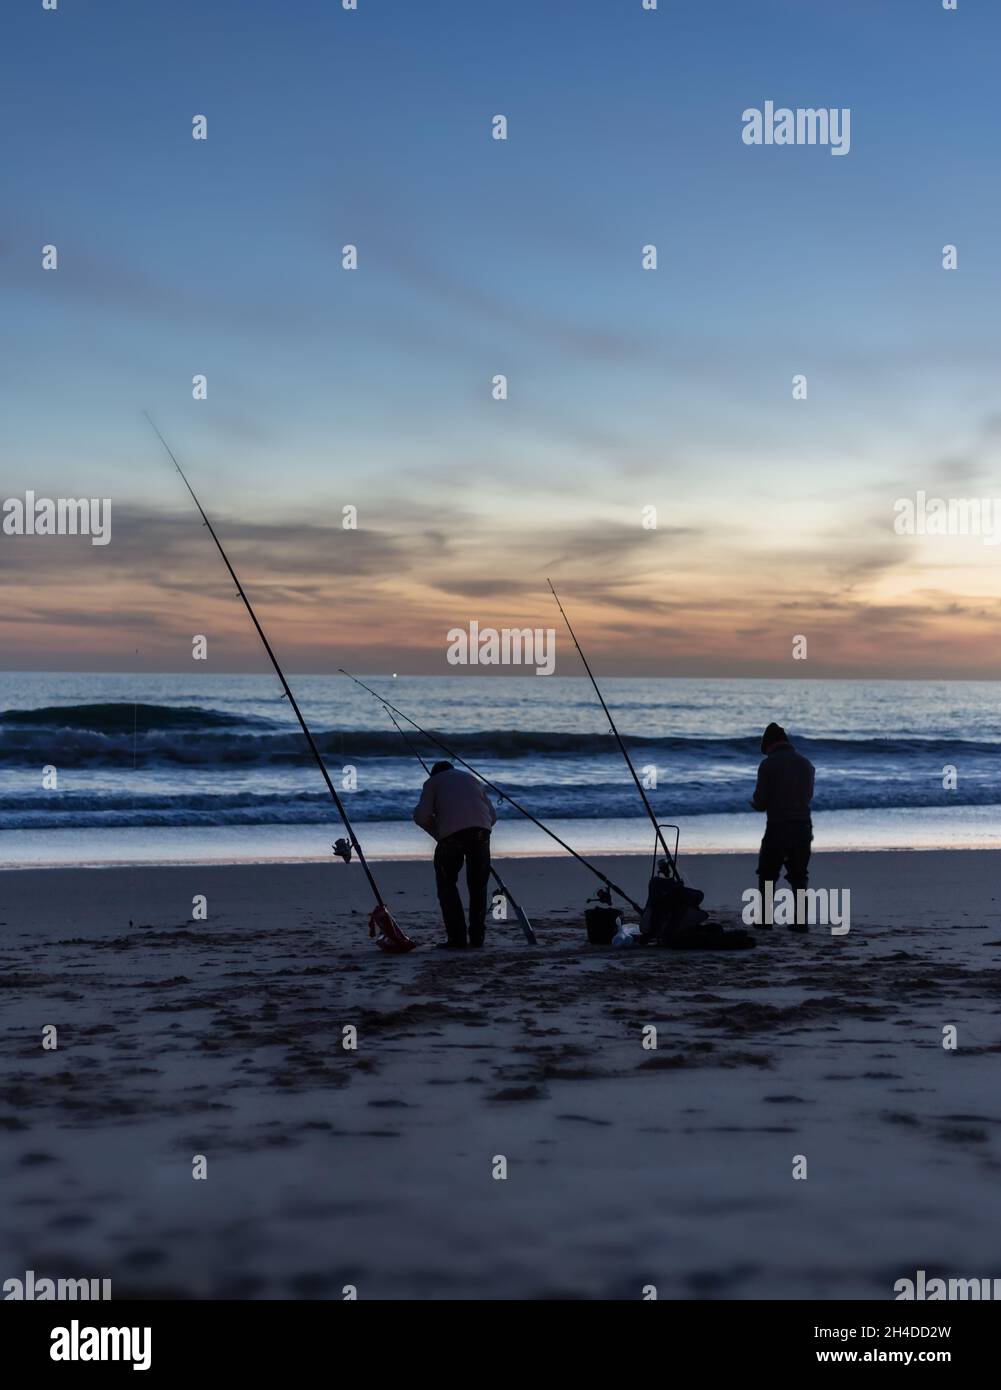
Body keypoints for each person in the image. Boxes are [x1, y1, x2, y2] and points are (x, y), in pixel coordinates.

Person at [413, 761, 497, 948]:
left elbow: (421, 816)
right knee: (478, 886)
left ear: (433, 774)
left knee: (447, 885)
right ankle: (477, 938)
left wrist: (438, 833)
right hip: (482, 833)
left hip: (452, 837)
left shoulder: (432, 783)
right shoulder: (472, 779)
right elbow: (492, 816)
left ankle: (457, 938)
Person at [751, 722, 815, 931]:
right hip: (803, 826)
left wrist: (756, 803)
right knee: (799, 876)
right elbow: (808, 796)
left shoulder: (768, 764)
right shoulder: (806, 764)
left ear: (767, 744)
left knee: (768, 874)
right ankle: (799, 921)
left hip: (778, 826)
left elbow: (761, 801)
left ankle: (764, 919)